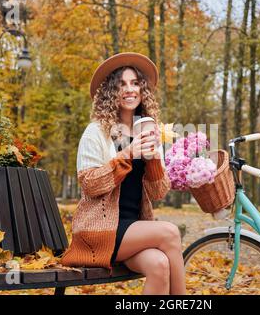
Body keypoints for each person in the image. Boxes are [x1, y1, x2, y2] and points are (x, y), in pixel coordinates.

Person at [61, 52, 186, 295]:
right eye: (121, 85)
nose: (129, 89)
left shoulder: (148, 131)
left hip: (134, 228)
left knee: (159, 265)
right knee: (170, 232)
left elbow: (159, 192)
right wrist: (128, 153)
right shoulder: (96, 131)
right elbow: (89, 185)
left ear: (142, 89)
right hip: (99, 230)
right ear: (111, 93)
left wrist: (152, 161)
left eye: (134, 83)